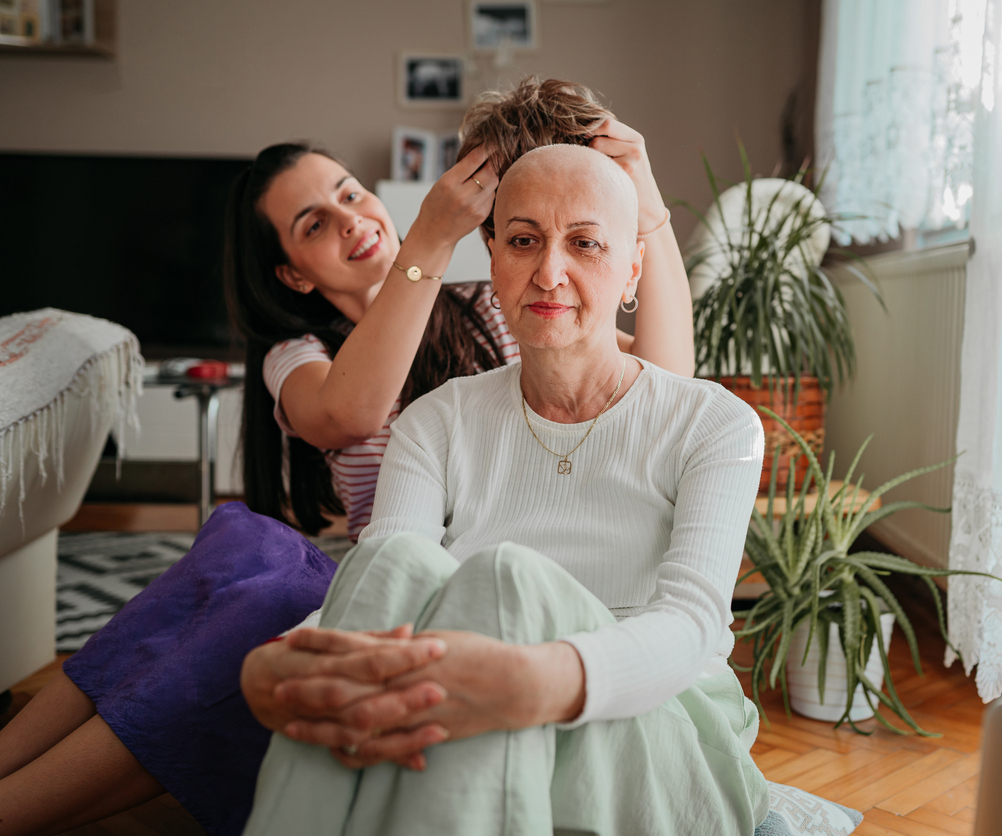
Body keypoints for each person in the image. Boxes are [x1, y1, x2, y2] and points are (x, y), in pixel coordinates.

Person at [0, 78, 694, 836]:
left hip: (476, 588)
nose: (350, 220)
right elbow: (352, 411)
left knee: (259, 591)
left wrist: (645, 207)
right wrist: (428, 238)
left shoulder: (496, 305)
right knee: (245, 542)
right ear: (295, 275)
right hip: (378, 583)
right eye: (314, 224)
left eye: (350, 193)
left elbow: (663, 385)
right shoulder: (295, 355)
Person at [240, 142, 768, 835]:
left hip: (658, 716)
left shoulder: (716, 424)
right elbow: (382, 581)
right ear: (492, 262)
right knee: (397, 563)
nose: (550, 272)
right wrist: (277, 669)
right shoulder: (435, 420)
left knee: (506, 580)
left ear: (632, 269)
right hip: (456, 686)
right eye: (523, 240)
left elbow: (694, 627)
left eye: (585, 243)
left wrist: (528, 682)